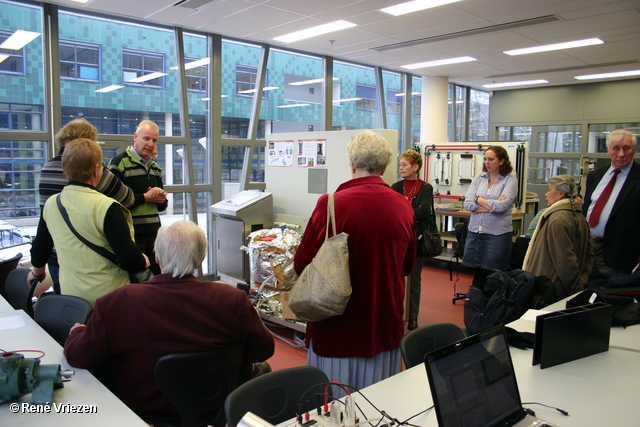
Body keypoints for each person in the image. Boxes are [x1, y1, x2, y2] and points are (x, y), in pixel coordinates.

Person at [64, 220, 275, 425]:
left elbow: (78, 356)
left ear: (156, 257)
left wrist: (77, 332)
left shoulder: (116, 302)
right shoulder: (232, 299)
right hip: (214, 409)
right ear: (201, 259)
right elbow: (262, 351)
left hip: (144, 415)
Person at [293, 130, 416, 394]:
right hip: (385, 325)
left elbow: (302, 263)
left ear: (351, 164)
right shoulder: (403, 206)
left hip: (338, 328)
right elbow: (407, 266)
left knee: (334, 408)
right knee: (381, 406)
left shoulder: (331, 205)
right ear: (384, 167)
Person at [29, 139, 149, 305]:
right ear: (96, 170)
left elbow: (41, 247)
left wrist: (37, 272)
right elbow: (128, 259)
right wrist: (143, 260)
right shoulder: (107, 207)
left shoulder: (52, 204)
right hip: (108, 299)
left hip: (72, 299)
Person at [38, 118, 136, 294]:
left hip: (61, 257)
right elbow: (128, 199)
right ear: (95, 169)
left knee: (69, 309)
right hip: (97, 269)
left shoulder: (46, 170)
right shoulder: (105, 203)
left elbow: (43, 233)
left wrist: (37, 269)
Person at [109, 120, 168, 275]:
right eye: (146, 138)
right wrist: (145, 198)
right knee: (135, 278)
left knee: (156, 277)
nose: (150, 144)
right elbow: (112, 201)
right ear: (135, 137)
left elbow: (161, 207)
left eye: (154, 140)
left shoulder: (155, 167)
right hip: (131, 234)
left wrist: (160, 198)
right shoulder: (119, 163)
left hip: (154, 232)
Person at [522, 175, 592, 299]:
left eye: (549, 190)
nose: (546, 194)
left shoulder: (558, 219)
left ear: (561, 194)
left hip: (552, 289)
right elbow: (588, 255)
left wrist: (576, 288)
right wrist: (583, 279)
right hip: (559, 287)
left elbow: (565, 261)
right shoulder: (578, 216)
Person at [583, 129, 640, 280]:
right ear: (608, 150)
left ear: (633, 150)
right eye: (616, 148)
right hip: (588, 250)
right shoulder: (596, 176)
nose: (621, 153)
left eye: (626, 148)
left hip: (620, 254)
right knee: (587, 294)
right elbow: (586, 209)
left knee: (613, 297)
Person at [463, 146, 518, 289]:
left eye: (491, 159)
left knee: (494, 273)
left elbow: (502, 207)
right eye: (485, 159)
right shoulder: (479, 178)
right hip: (476, 231)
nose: (487, 162)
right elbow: (468, 204)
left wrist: (478, 200)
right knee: (478, 273)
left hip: (497, 234)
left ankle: (491, 306)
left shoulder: (510, 180)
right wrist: (492, 204)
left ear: (501, 161)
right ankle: (477, 303)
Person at [391, 149, 434, 330]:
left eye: (404, 165)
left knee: (414, 280)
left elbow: (424, 212)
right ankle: (395, 315)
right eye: (400, 164)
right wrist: (409, 214)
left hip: (416, 240)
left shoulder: (426, 188)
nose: (400, 168)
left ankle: (413, 318)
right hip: (397, 240)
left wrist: (403, 214)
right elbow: (391, 212)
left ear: (415, 167)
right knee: (394, 279)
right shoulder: (395, 187)